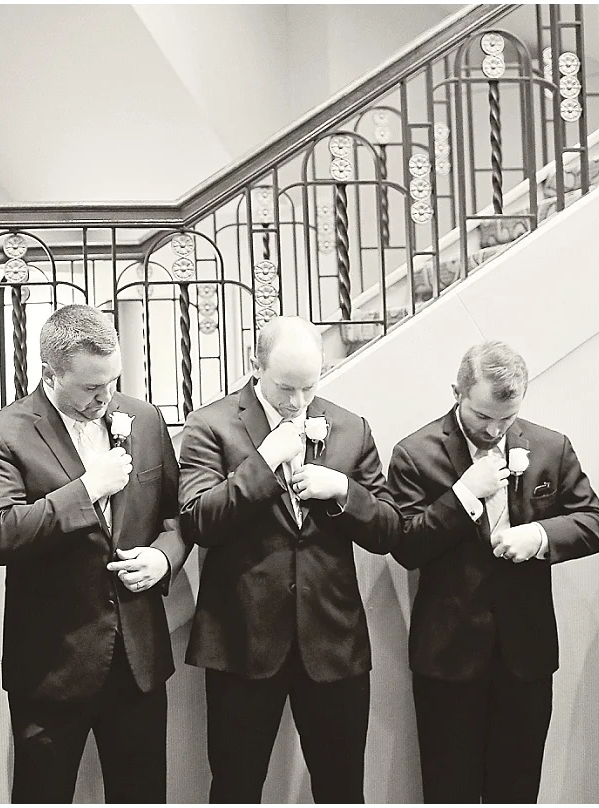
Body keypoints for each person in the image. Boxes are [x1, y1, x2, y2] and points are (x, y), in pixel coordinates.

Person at [178, 315, 401, 803]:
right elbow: (197, 521)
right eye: (285, 388)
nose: (298, 403)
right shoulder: (211, 425)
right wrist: (262, 462)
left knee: (343, 790)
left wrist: (342, 491)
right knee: (235, 789)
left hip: (333, 641)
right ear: (254, 365)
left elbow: (388, 529)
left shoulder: (350, 427)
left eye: (309, 386)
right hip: (241, 641)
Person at [0, 304, 186, 803]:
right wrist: (87, 489)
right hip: (51, 663)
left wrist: (163, 559)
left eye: (112, 381)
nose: (105, 398)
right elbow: (0, 533)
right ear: (50, 374)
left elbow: (175, 518)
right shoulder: (1, 434)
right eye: (91, 387)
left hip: (137, 658)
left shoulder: (145, 418)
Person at [387, 340, 599, 803]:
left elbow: (596, 523)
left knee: (518, 789)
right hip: (448, 656)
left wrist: (540, 536)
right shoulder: (414, 453)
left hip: (525, 654)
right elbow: (406, 546)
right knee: (450, 791)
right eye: (482, 416)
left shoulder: (550, 446)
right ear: (457, 393)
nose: (494, 430)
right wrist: (464, 495)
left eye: (507, 419)